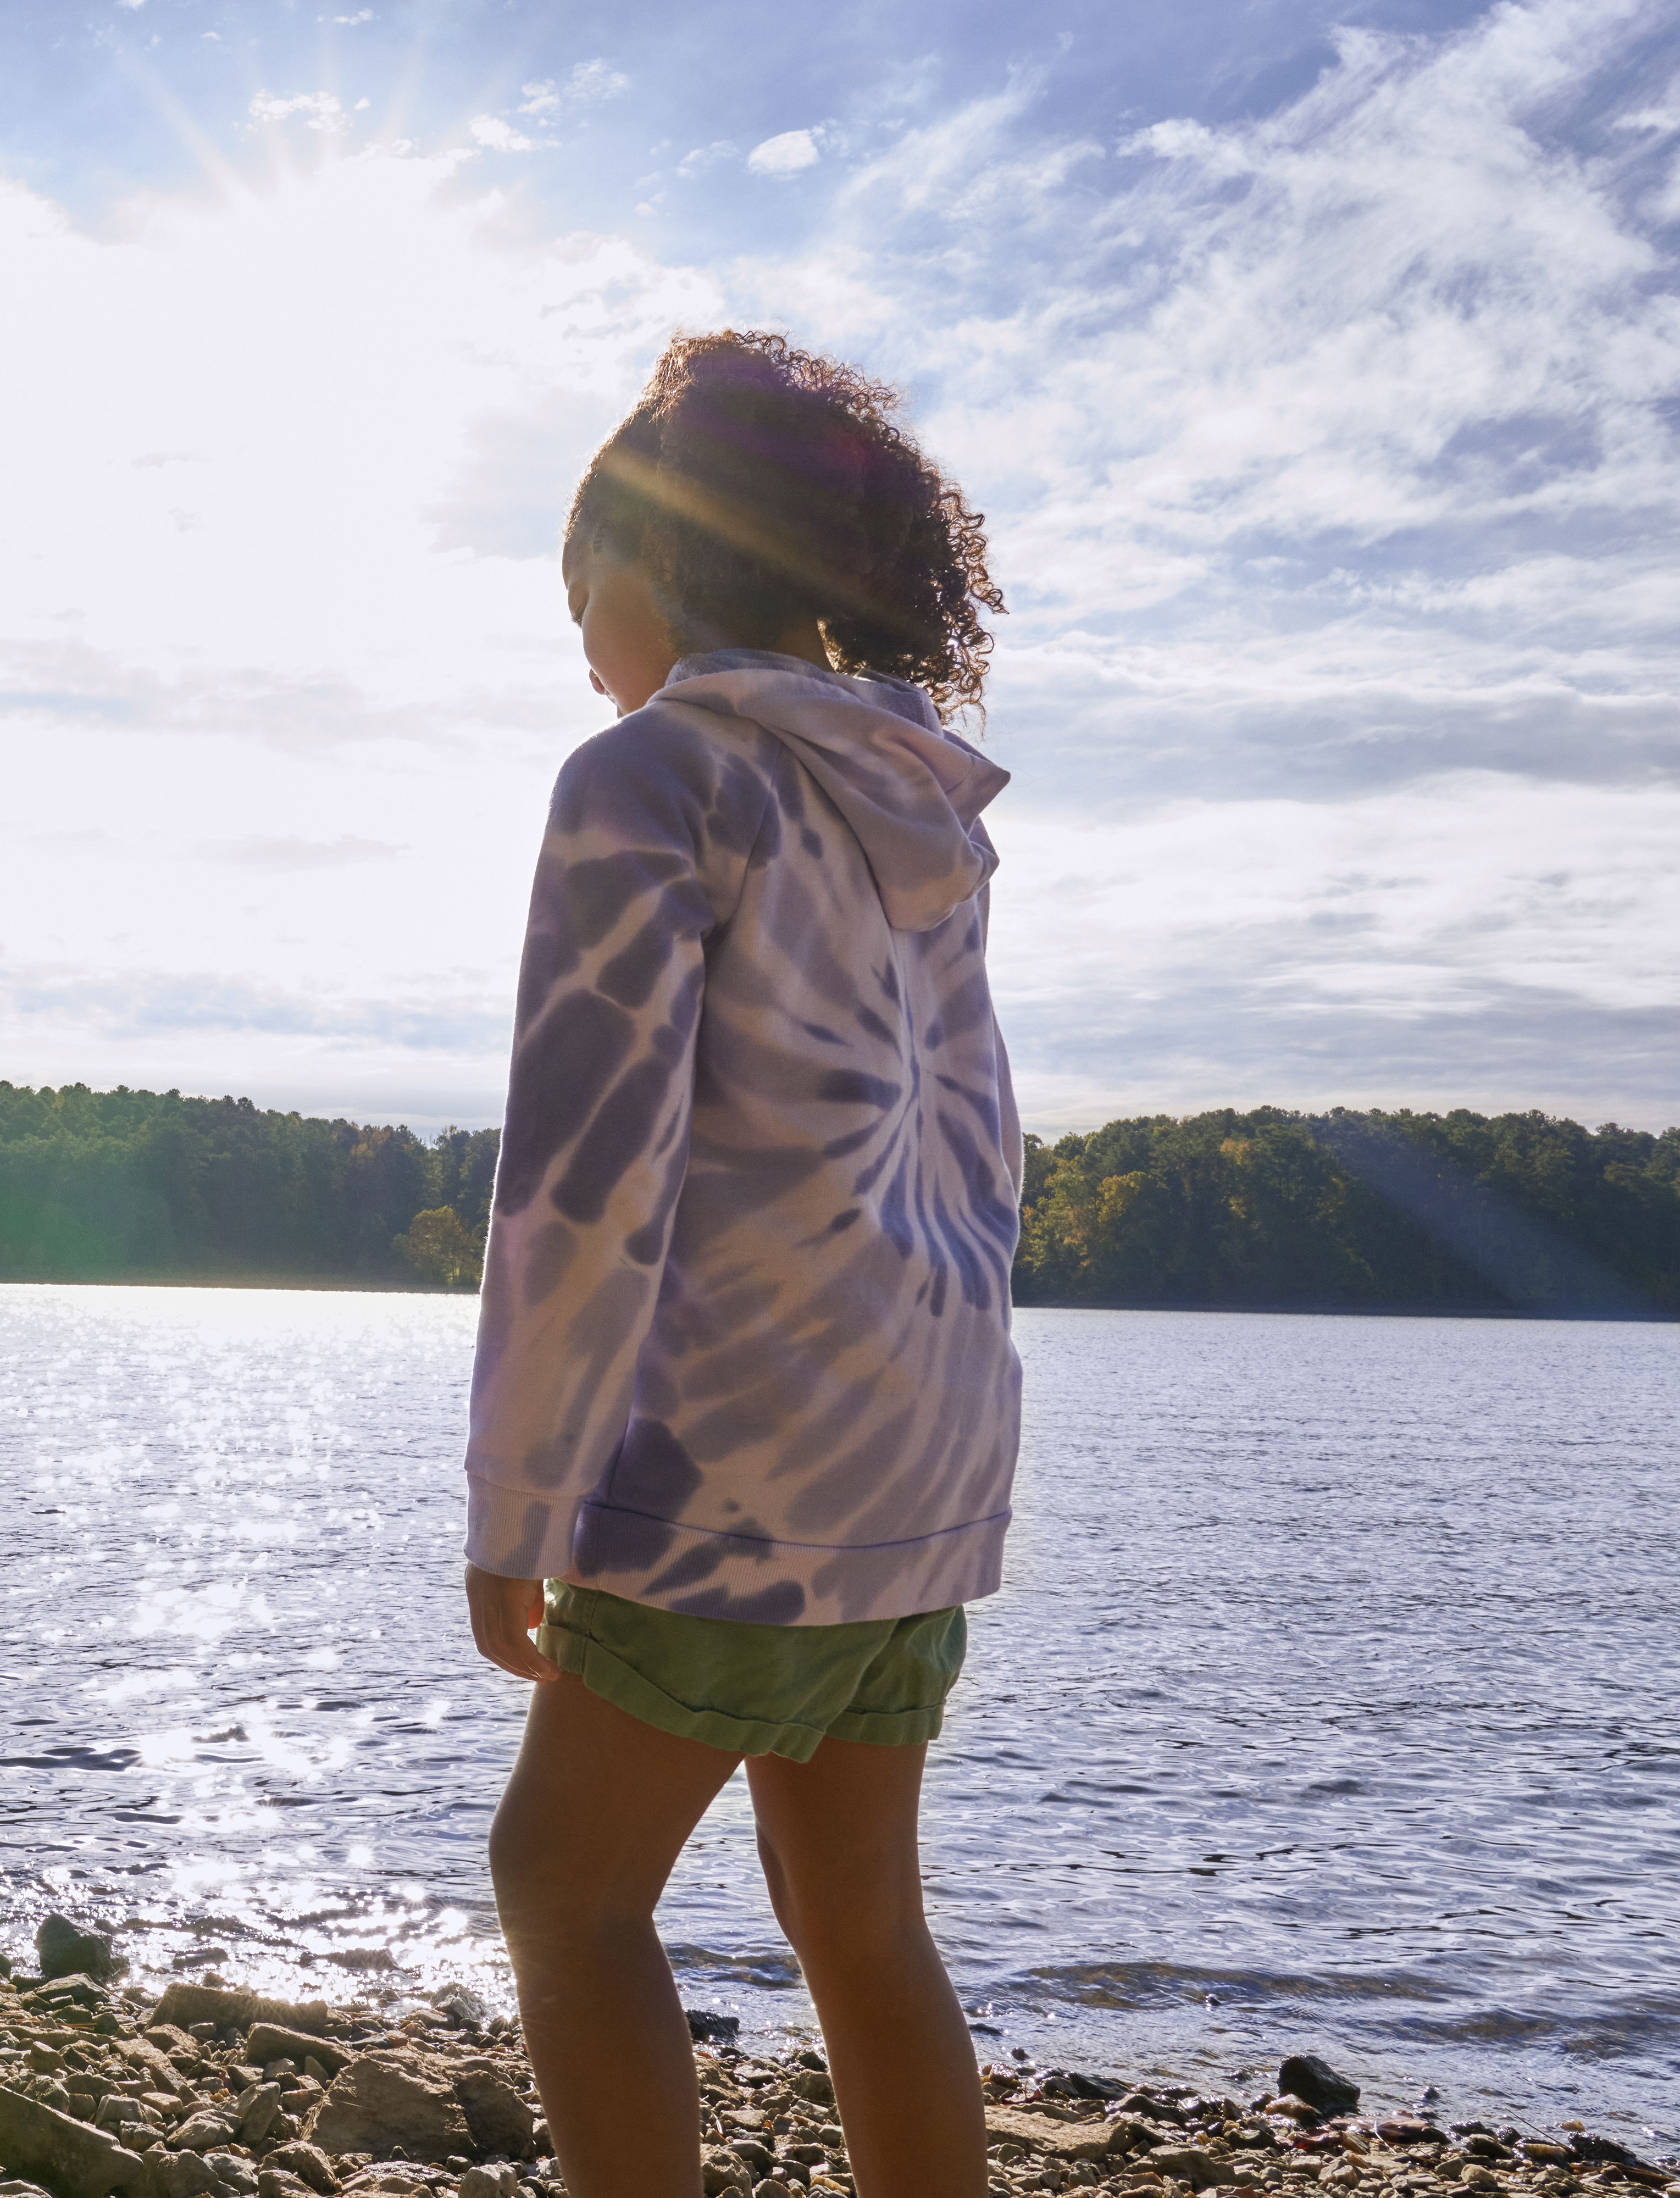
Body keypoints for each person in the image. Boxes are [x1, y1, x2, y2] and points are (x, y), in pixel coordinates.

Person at [460, 330, 1021, 2198]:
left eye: (580, 586)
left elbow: (582, 1176)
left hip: (735, 1439)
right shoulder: (919, 806)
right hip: (920, 1432)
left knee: (561, 1881)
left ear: (663, 552)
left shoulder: (649, 775)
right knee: (858, 1923)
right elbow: (970, 1137)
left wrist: (521, 1492)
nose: (578, 638)